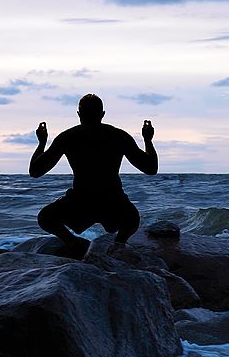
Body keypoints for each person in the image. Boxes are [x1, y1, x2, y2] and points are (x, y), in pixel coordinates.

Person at [29, 93, 158, 256]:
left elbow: (35, 171)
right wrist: (148, 140)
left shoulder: (68, 137)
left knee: (45, 218)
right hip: (112, 200)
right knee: (132, 219)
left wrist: (41, 143)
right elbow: (150, 168)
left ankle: (72, 242)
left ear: (79, 114)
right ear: (102, 114)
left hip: (80, 200)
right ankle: (118, 245)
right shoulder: (118, 136)